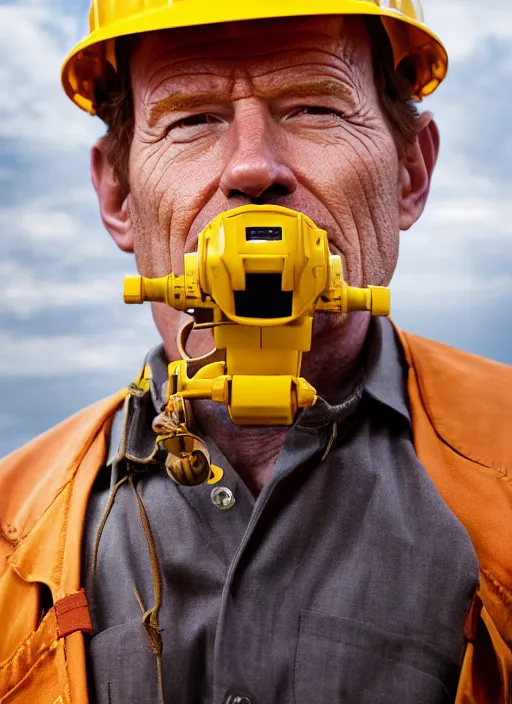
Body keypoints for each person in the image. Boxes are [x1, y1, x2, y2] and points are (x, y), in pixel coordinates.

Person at [0, 1, 511, 702]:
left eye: (313, 108)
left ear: (410, 175)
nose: (252, 168)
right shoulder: (10, 531)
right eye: (191, 119)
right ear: (117, 194)